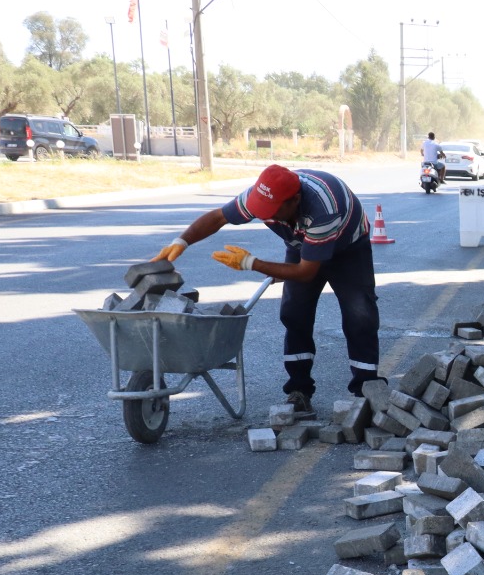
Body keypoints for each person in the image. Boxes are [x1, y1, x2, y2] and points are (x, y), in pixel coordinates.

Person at [152, 164, 379, 411]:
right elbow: (219, 217)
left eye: (271, 211)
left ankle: (366, 390)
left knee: (360, 317)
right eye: (261, 210)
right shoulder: (262, 196)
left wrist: (252, 263)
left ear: (295, 200)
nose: (263, 215)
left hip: (348, 249)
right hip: (303, 244)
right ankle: (299, 390)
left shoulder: (324, 209)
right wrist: (182, 241)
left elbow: (305, 273)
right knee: (295, 315)